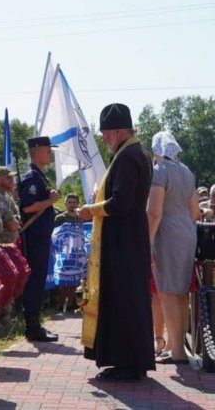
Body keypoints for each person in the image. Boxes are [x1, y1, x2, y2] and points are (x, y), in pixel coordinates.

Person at [79, 103, 154, 382]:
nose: (104, 138)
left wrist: (92, 210)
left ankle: (130, 363)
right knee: (123, 299)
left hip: (124, 241)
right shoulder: (132, 153)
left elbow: (121, 202)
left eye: (107, 132)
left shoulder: (128, 157)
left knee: (125, 300)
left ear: (121, 130)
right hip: (125, 239)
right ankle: (124, 360)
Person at [145, 131, 199, 365]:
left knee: (166, 292)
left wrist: (147, 242)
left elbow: (154, 212)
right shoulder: (188, 172)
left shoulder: (159, 172)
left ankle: (176, 351)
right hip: (188, 233)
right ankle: (179, 346)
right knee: (181, 292)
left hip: (167, 234)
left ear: (157, 150)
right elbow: (195, 212)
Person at [18, 136, 61, 343]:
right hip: (34, 239)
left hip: (41, 237)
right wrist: (50, 200)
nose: (49, 154)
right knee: (34, 281)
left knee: (38, 279)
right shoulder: (32, 178)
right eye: (47, 150)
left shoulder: (40, 176)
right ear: (36, 152)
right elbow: (27, 207)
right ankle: (32, 326)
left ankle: (34, 323)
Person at [0, 166, 20, 244]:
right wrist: (16, 219)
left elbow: (18, 217)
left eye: (12, 177)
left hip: (9, 243)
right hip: (0, 243)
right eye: (8, 178)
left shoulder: (7, 194)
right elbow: (13, 225)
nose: (12, 180)